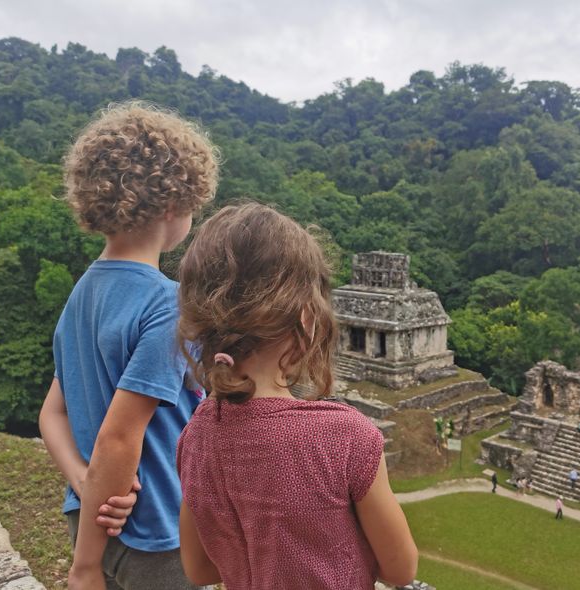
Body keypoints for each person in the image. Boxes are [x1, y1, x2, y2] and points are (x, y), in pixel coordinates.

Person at [175, 203, 419, 589]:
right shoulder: (345, 437)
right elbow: (400, 569)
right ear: (308, 317)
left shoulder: (196, 437)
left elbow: (200, 570)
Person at [38, 102, 219, 590]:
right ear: (170, 207)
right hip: (155, 530)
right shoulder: (166, 304)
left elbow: (51, 414)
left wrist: (81, 480)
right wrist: (83, 569)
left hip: (90, 518)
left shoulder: (82, 294)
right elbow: (119, 439)